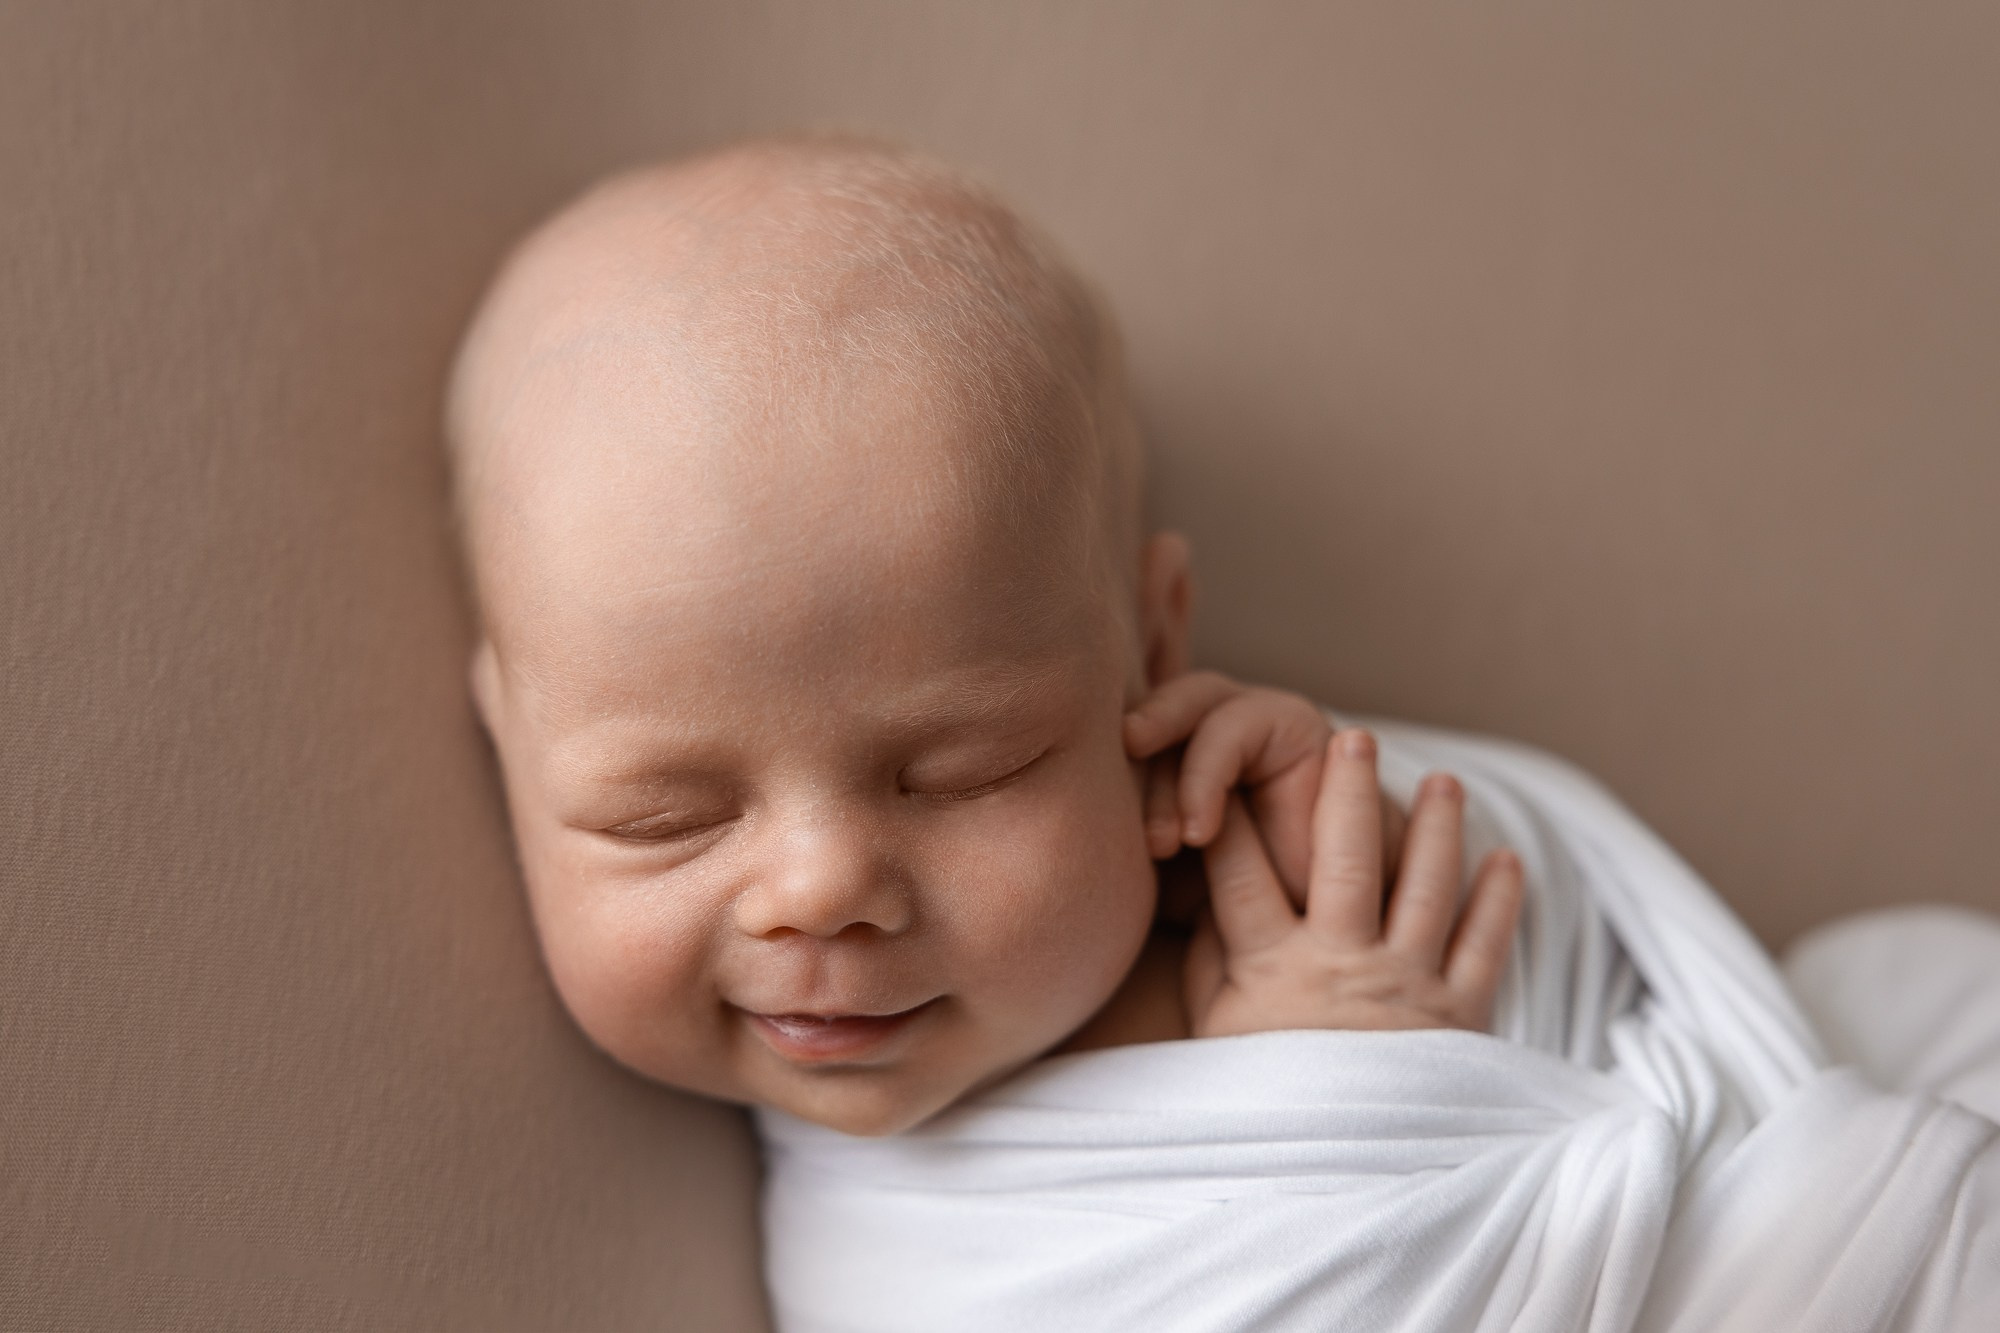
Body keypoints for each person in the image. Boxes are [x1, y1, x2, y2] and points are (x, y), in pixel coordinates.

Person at [444, 133, 2000, 1331]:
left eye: (964, 770)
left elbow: (1604, 968)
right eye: (662, 812)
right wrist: (1359, 1094)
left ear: (1150, 648)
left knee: (1910, 981)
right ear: (510, 742)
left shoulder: (1295, 845)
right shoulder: (909, 1256)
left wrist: (1360, 908)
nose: (822, 887)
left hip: (1791, 1132)